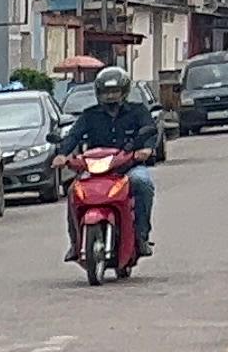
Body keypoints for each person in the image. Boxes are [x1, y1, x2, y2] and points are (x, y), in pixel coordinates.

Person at [58, 67, 162, 257]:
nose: (110, 96)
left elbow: (149, 130)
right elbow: (73, 136)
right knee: (74, 191)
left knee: (143, 183)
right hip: (95, 170)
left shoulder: (137, 111)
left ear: (124, 92)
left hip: (128, 167)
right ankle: (75, 243)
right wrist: (62, 154)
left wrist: (146, 149)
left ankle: (141, 236)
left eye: (114, 92)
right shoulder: (89, 115)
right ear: (99, 93)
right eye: (106, 92)